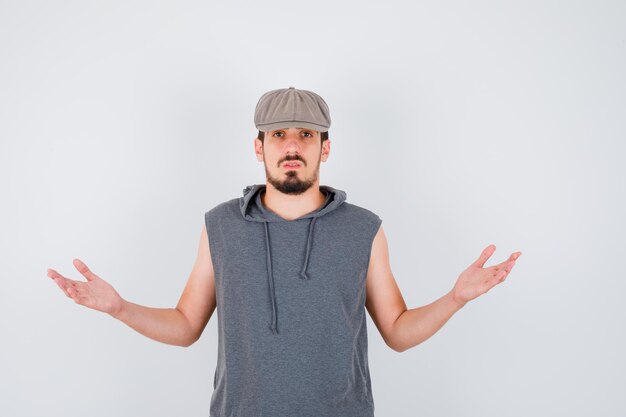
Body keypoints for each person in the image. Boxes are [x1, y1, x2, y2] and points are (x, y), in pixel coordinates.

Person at [47, 86, 522, 417]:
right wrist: (119, 308)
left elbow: (397, 332)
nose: (291, 145)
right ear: (259, 147)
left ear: (325, 147)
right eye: (278, 135)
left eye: (305, 135)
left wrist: (456, 298)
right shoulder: (220, 225)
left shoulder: (365, 228)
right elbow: (186, 325)